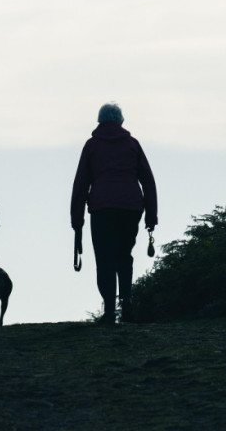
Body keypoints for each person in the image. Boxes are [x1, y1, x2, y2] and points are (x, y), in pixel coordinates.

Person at [70, 102, 157, 323]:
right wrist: (151, 215)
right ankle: (126, 303)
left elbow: (81, 185)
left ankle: (109, 311)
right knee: (124, 256)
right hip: (130, 208)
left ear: (99, 121)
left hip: (102, 209)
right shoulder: (132, 145)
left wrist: (76, 219)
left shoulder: (92, 146)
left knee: (105, 259)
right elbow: (148, 180)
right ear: (121, 121)